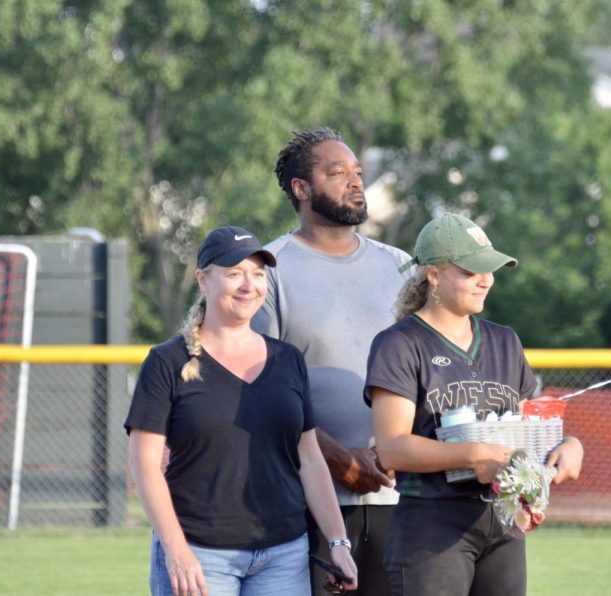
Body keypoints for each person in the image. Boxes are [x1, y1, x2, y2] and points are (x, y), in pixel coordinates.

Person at [126, 226, 357, 596]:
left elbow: (309, 458)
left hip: (283, 554)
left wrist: (338, 543)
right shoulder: (167, 361)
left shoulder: (288, 360)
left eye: (258, 273)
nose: (249, 285)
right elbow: (144, 464)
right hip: (200, 554)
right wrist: (176, 549)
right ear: (204, 280)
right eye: (234, 273)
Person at [364, 213, 584, 596]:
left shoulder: (505, 341)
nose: (487, 280)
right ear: (433, 274)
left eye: (490, 269)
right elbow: (392, 447)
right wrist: (475, 454)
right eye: (471, 271)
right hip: (431, 525)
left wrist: (568, 446)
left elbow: (529, 425)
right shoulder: (399, 344)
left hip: (503, 523)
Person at [252, 127, 410, 595]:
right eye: (337, 173)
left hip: (401, 500)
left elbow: (428, 371)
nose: (355, 182)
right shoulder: (267, 270)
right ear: (302, 189)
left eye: (358, 172)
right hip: (308, 502)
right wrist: (338, 459)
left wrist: (406, 446)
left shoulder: (402, 266)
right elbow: (261, 393)